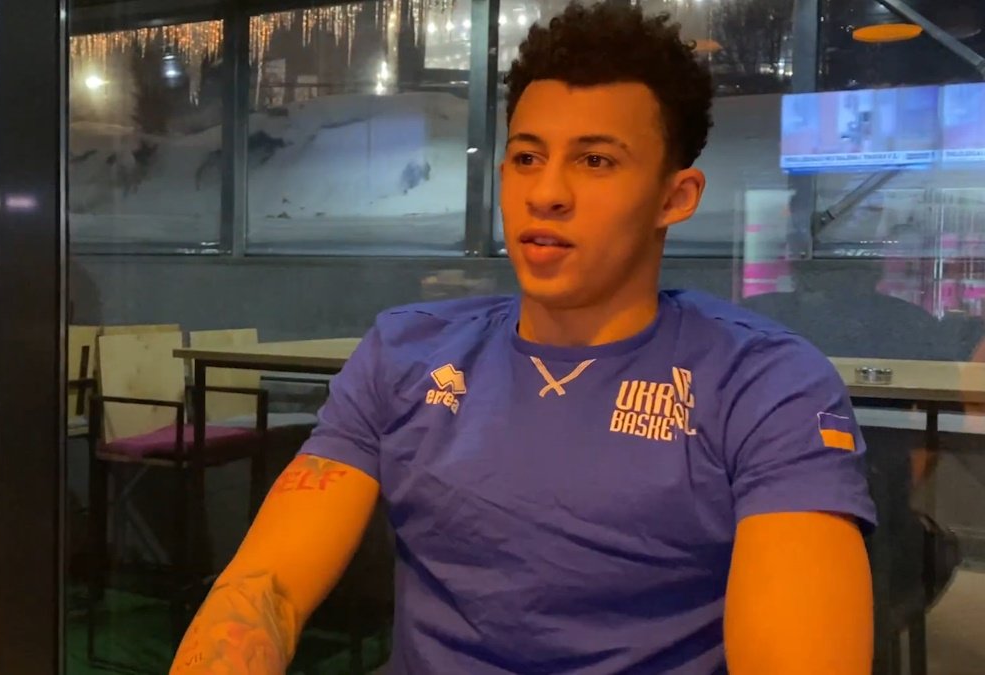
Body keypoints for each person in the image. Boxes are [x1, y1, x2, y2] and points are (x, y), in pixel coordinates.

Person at [170, 3, 876, 673]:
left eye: (595, 161)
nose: (546, 194)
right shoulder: (406, 353)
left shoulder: (763, 385)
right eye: (528, 157)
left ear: (675, 197)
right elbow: (263, 589)